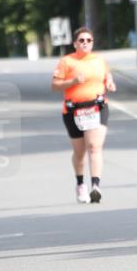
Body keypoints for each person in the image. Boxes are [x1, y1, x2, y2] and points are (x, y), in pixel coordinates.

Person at [52, 27, 117, 204]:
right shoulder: (66, 62)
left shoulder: (99, 60)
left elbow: (106, 76)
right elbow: (55, 85)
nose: (85, 43)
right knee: (79, 153)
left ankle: (95, 185)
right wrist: (72, 81)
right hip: (74, 111)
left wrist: (110, 83)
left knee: (95, 146)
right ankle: (81, 184)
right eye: (81, 40)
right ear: (75, 43)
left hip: (97, 107)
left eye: (89, 40)